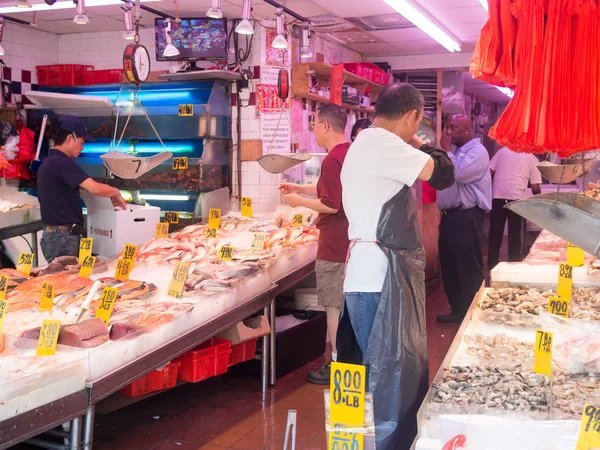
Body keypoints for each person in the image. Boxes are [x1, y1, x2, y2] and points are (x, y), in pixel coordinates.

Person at [339, 83, 454, 449]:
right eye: (417, 125)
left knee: (370, 376)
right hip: (381, 280)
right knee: (390, 381)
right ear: (411, 117)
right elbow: (444, 173)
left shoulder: (364, 143)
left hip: (363, 275)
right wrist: (421, 143)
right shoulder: (386, 145)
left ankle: (363, 442)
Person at [278, 104, 351, 385]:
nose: (313, 129)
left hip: (333, 244)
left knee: (333, 308)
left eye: (314, 123)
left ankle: (336, 367)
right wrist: (299, 188)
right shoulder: (349, 153)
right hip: (350, 242)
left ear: (325, 127)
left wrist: (298, 203)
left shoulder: (332, 159)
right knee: (343, 307)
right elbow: (331, 190)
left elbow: (331, 205)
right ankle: (346, 363)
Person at [37, 116, 127, 263]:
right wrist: (116, 192)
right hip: (62, 238)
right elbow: (95, 188)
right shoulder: (61, 163)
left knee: (63, 282)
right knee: (67, 282)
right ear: (69, 139)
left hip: (56, 236)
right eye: (82, 142)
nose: (83, 147)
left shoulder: (49, 163)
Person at [436, 114, 492, 323]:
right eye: (448, 127)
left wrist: (445, 151)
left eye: (453, 127)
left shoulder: (478, 152)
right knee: (450, 266)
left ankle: (475, 312)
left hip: (467, 217)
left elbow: (456, 173)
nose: (449, 131)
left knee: (468, 266)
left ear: (467, 129)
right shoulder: (457, 152)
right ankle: (458, 311)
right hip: (450, 217)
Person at [487, 147, 542, 269]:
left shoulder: (503, 151)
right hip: (517, 201)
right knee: (516, 240)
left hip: (498, 198)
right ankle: (514, 269)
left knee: (495, 237)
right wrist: (542, 199)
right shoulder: (532, 158)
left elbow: (489, 171)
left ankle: (491, 268)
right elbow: (535, 188)